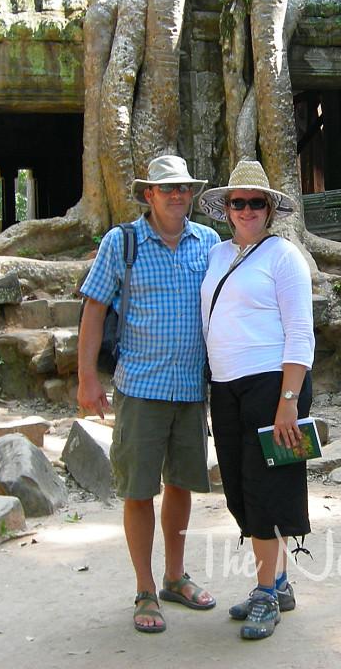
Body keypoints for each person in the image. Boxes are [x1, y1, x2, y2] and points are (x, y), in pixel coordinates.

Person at [77, 154, 220, 634]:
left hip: (190, 387)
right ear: (149, 195)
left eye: (183, 188)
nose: (178, 196)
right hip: (140, 387)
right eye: (167, 189)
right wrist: (87, 379)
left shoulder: (208, 242)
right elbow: (94, 310)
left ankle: (175, 576)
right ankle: (144, 588)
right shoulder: (123, 242)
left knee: (181, 484)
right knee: (139, 489)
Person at [198, 160, 315, 641]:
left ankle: (266, 591)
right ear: (225, 209)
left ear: (269, 209)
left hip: (275, 386)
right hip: (226, 386)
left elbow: (301, 333)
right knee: (241, 489)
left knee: (269, 488)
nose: (246, 210)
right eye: (237, 202)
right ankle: (279, 581)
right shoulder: (217, 255)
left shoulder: (284, 257)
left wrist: (289, 401)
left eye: (255, 202)